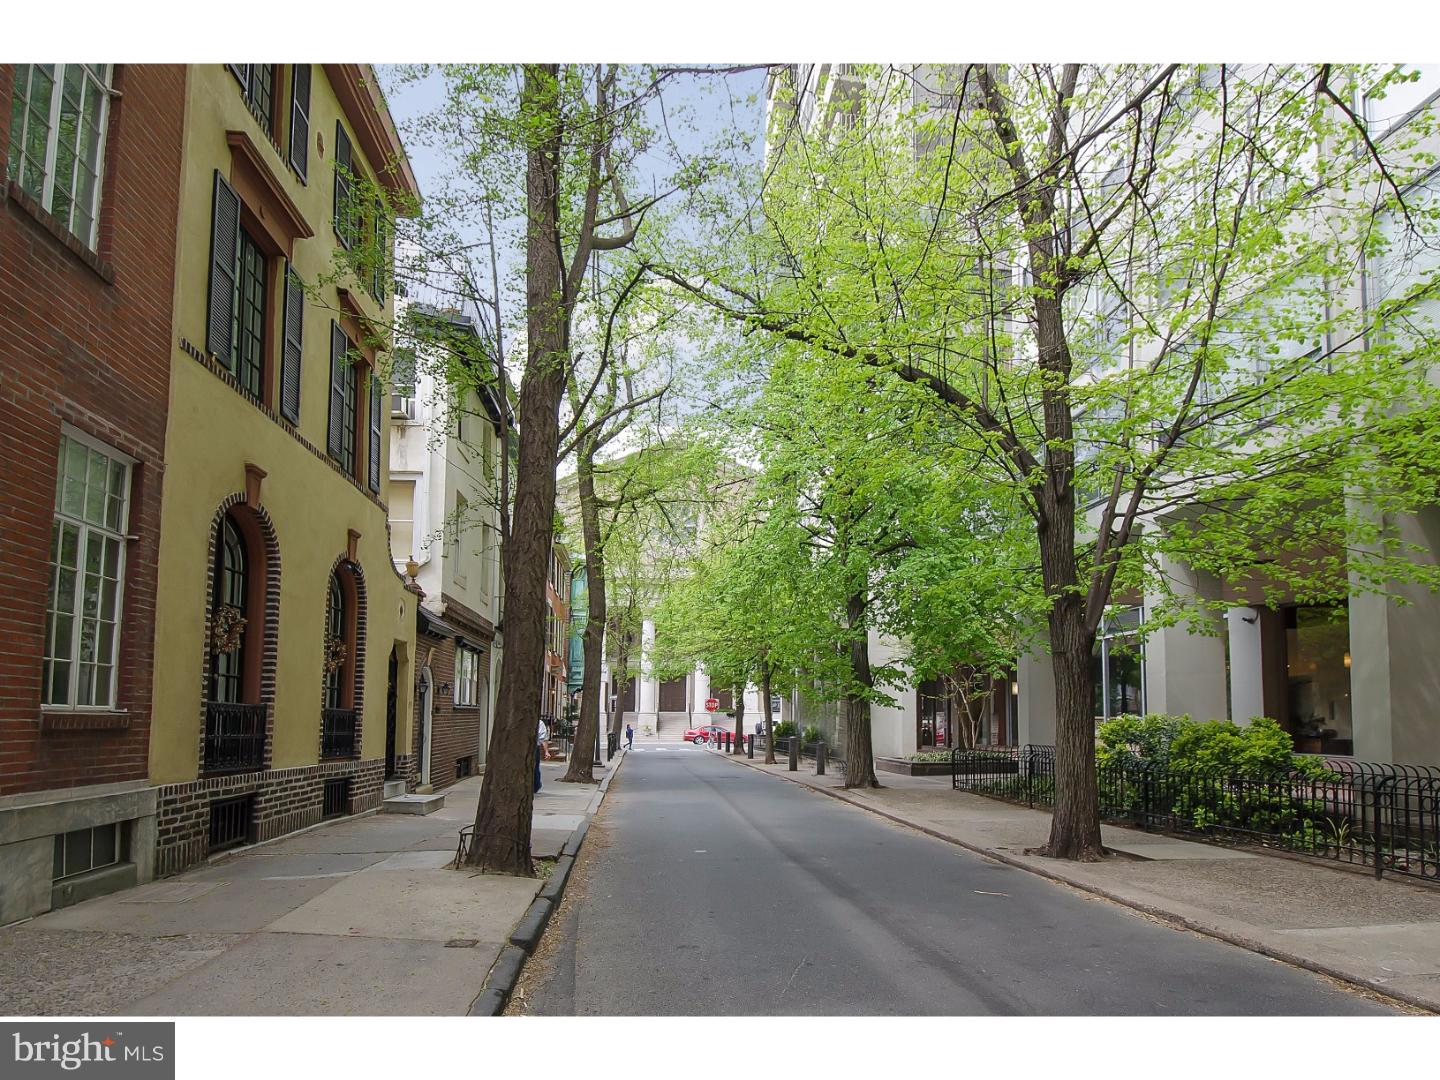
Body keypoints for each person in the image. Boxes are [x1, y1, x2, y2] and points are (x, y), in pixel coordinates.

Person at [535, 716, 549, 794]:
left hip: (535, 747)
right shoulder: (539, 723)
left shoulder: (539, 723)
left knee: (535, 767)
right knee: (535, 767)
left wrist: (546, 751)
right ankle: (536, 786)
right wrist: (546, 751)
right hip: (535, 747)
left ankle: (536, 785)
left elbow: (543, 739)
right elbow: (543, 739)